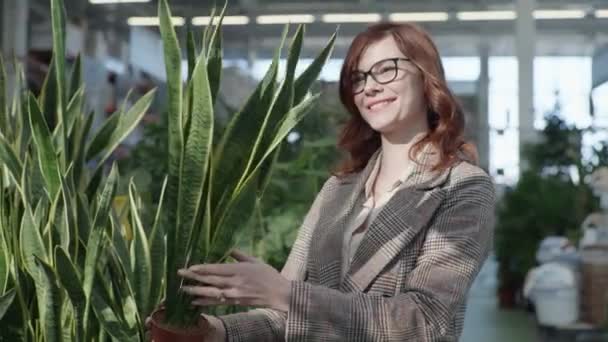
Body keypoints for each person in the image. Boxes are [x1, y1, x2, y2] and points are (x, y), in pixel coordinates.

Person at [177, 22, 496, 341]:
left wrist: (285, 293)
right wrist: (215, 331)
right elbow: (283, 317)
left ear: (427, 76)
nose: (369, 87)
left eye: (386, 69)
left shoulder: (461, 186)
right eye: (359, 77)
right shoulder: (338, 190)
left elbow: (424, 320)